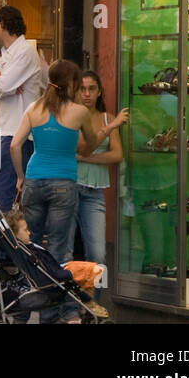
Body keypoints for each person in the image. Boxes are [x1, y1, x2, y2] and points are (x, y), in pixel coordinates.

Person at [11, 58, 117, 323]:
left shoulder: (34, 109)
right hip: (63, 184)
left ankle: (22, 314)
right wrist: (95, 137)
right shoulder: (79, 112)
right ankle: (62, 314)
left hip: (34, 180)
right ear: (71, 84)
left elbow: (14, 145)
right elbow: (90, 145)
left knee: (31, 247)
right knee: (60, 252)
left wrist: (20, 176)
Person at [0, 5, 46, 214]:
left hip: (19, 132)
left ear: (3, 25)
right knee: (2, 190)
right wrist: (0, 81)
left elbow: (4, 85)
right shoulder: (8, 53)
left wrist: (0, 82)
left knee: (4, 193)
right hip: (7, 130)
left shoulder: (25, 51)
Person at [75, 70, 127, 264]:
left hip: (94, 193)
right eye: (82, 89)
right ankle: (68, 294)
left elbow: (117, 154)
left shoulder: (108, 118)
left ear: (99, 92)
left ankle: (93, 295)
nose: (86, 93)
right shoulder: (72, 117)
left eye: (91, 89)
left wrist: (86, 158)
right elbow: (79, 147)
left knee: (98, 255)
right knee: (67, 251)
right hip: (70, 188)